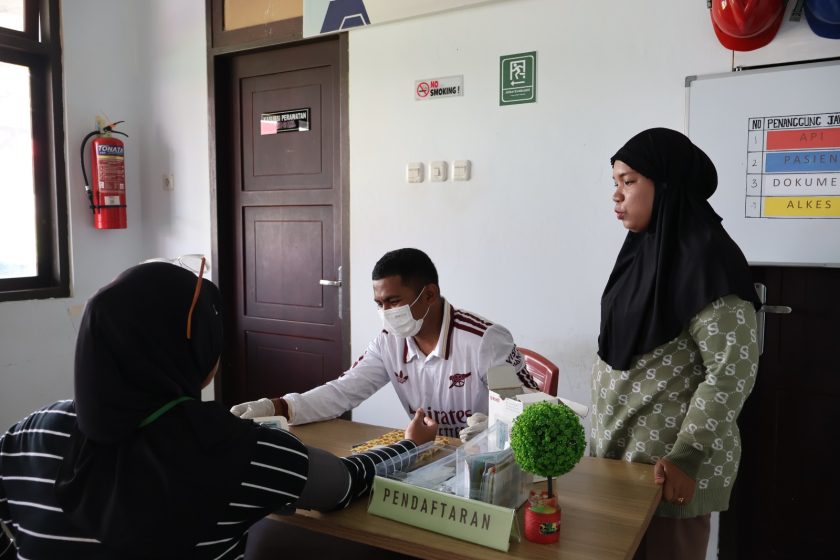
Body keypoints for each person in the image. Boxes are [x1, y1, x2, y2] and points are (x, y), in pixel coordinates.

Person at [0, 262, 437, 560]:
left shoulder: (34, 433)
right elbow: (343, 484)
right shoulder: (242, 451)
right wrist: (408, 446)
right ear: (200, 357)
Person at [590, 128, 761, 560]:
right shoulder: (642, 252)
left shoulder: (710, 260)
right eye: (615, 182)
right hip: (622, 463)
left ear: (665, 185)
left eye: (629, 181)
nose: (616, 195)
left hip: (670, 475)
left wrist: (687, 456)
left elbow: (731, 371)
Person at [231, 248, 538, 439]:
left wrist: (495, 432)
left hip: (488, 461)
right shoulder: (388, 342)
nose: (386, 312)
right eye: (379, 303)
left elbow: (531, 409)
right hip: (430, 454)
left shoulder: (483, 340)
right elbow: (343, 391)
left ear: (429, 295)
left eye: (393, 301)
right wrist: (279, 407)